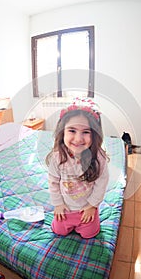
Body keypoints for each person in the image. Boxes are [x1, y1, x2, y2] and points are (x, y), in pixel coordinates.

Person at [46, 97, 109, 239]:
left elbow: (101, 183)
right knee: (59, 231)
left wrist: (92, 206)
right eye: (72, 130)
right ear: (63, 132)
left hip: (86, 208)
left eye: (86, 132)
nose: (78, 138)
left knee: (89, 234)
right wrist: (58, 204)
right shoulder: (57, 157)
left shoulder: (98, 158)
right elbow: (53, 182)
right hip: (66, 208)